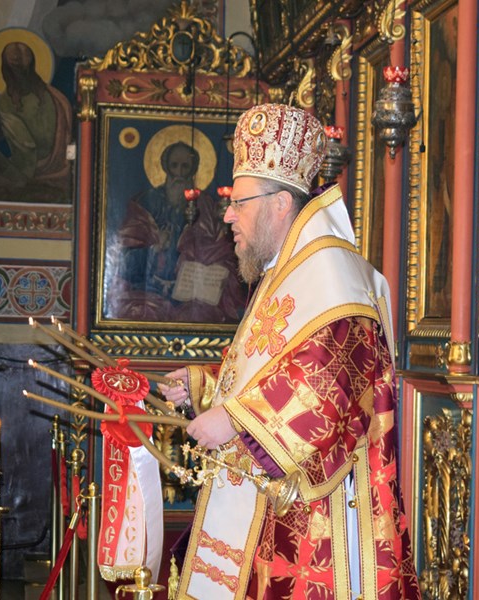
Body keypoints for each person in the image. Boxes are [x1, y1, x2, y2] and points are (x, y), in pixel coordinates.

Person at [159, 103, 421, 599]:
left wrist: (234, 420)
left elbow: (327, 391)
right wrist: (205, 387)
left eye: (239, 202)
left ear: (280, 203)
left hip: (324, 518)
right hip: (282, 500)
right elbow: (274, 369)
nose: (227, 215)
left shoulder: (331, 274)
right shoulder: (287, 268)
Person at [108, 140, 246, 323]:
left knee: (202, 316)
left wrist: (204, 255)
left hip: (195, 295)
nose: (180, 173)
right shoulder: (144, 203)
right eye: (174, 165)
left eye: (185, 166)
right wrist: (153, 248)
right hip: (149, 293)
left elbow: (222, 251)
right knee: (140, 312)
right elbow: (123, 260)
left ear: (193, 169)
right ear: (165, 167)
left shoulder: (205, 205)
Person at [0, 41, 73, 202]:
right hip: (63, 172)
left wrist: (9, 176)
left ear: (4, 70)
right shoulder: (56, 95)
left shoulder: (5, 103)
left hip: (28, 173)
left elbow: (26, 150)